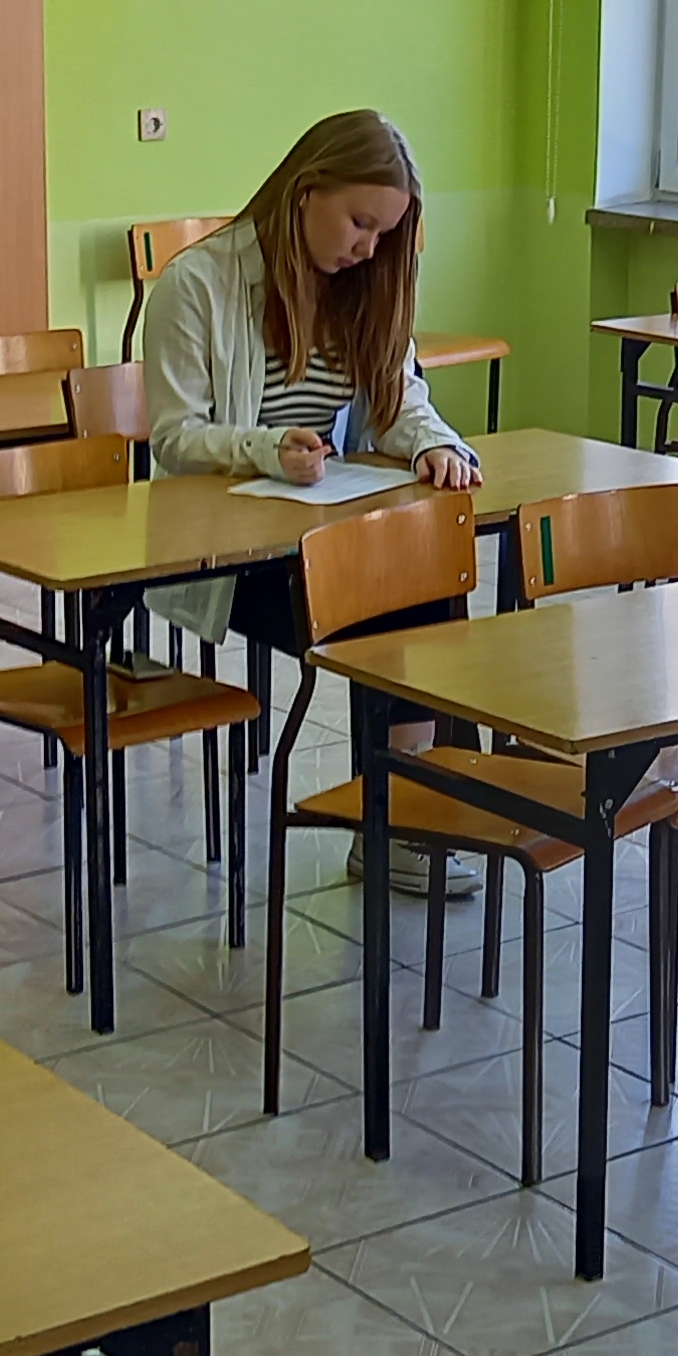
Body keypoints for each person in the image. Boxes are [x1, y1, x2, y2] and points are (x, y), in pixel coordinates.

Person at [143, 108, 485, 890]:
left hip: (324, 529)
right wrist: (267, 448)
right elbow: (175, 436)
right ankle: (392, 823)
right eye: (359, 223)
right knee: (397, 606)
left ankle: (407, 811)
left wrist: (434, 444)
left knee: (436, 583)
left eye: (384, 234)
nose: (368, 249)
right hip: (233, 552)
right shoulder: (196, 285)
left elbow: (399, 397)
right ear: (306, 192)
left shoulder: (365, 284)